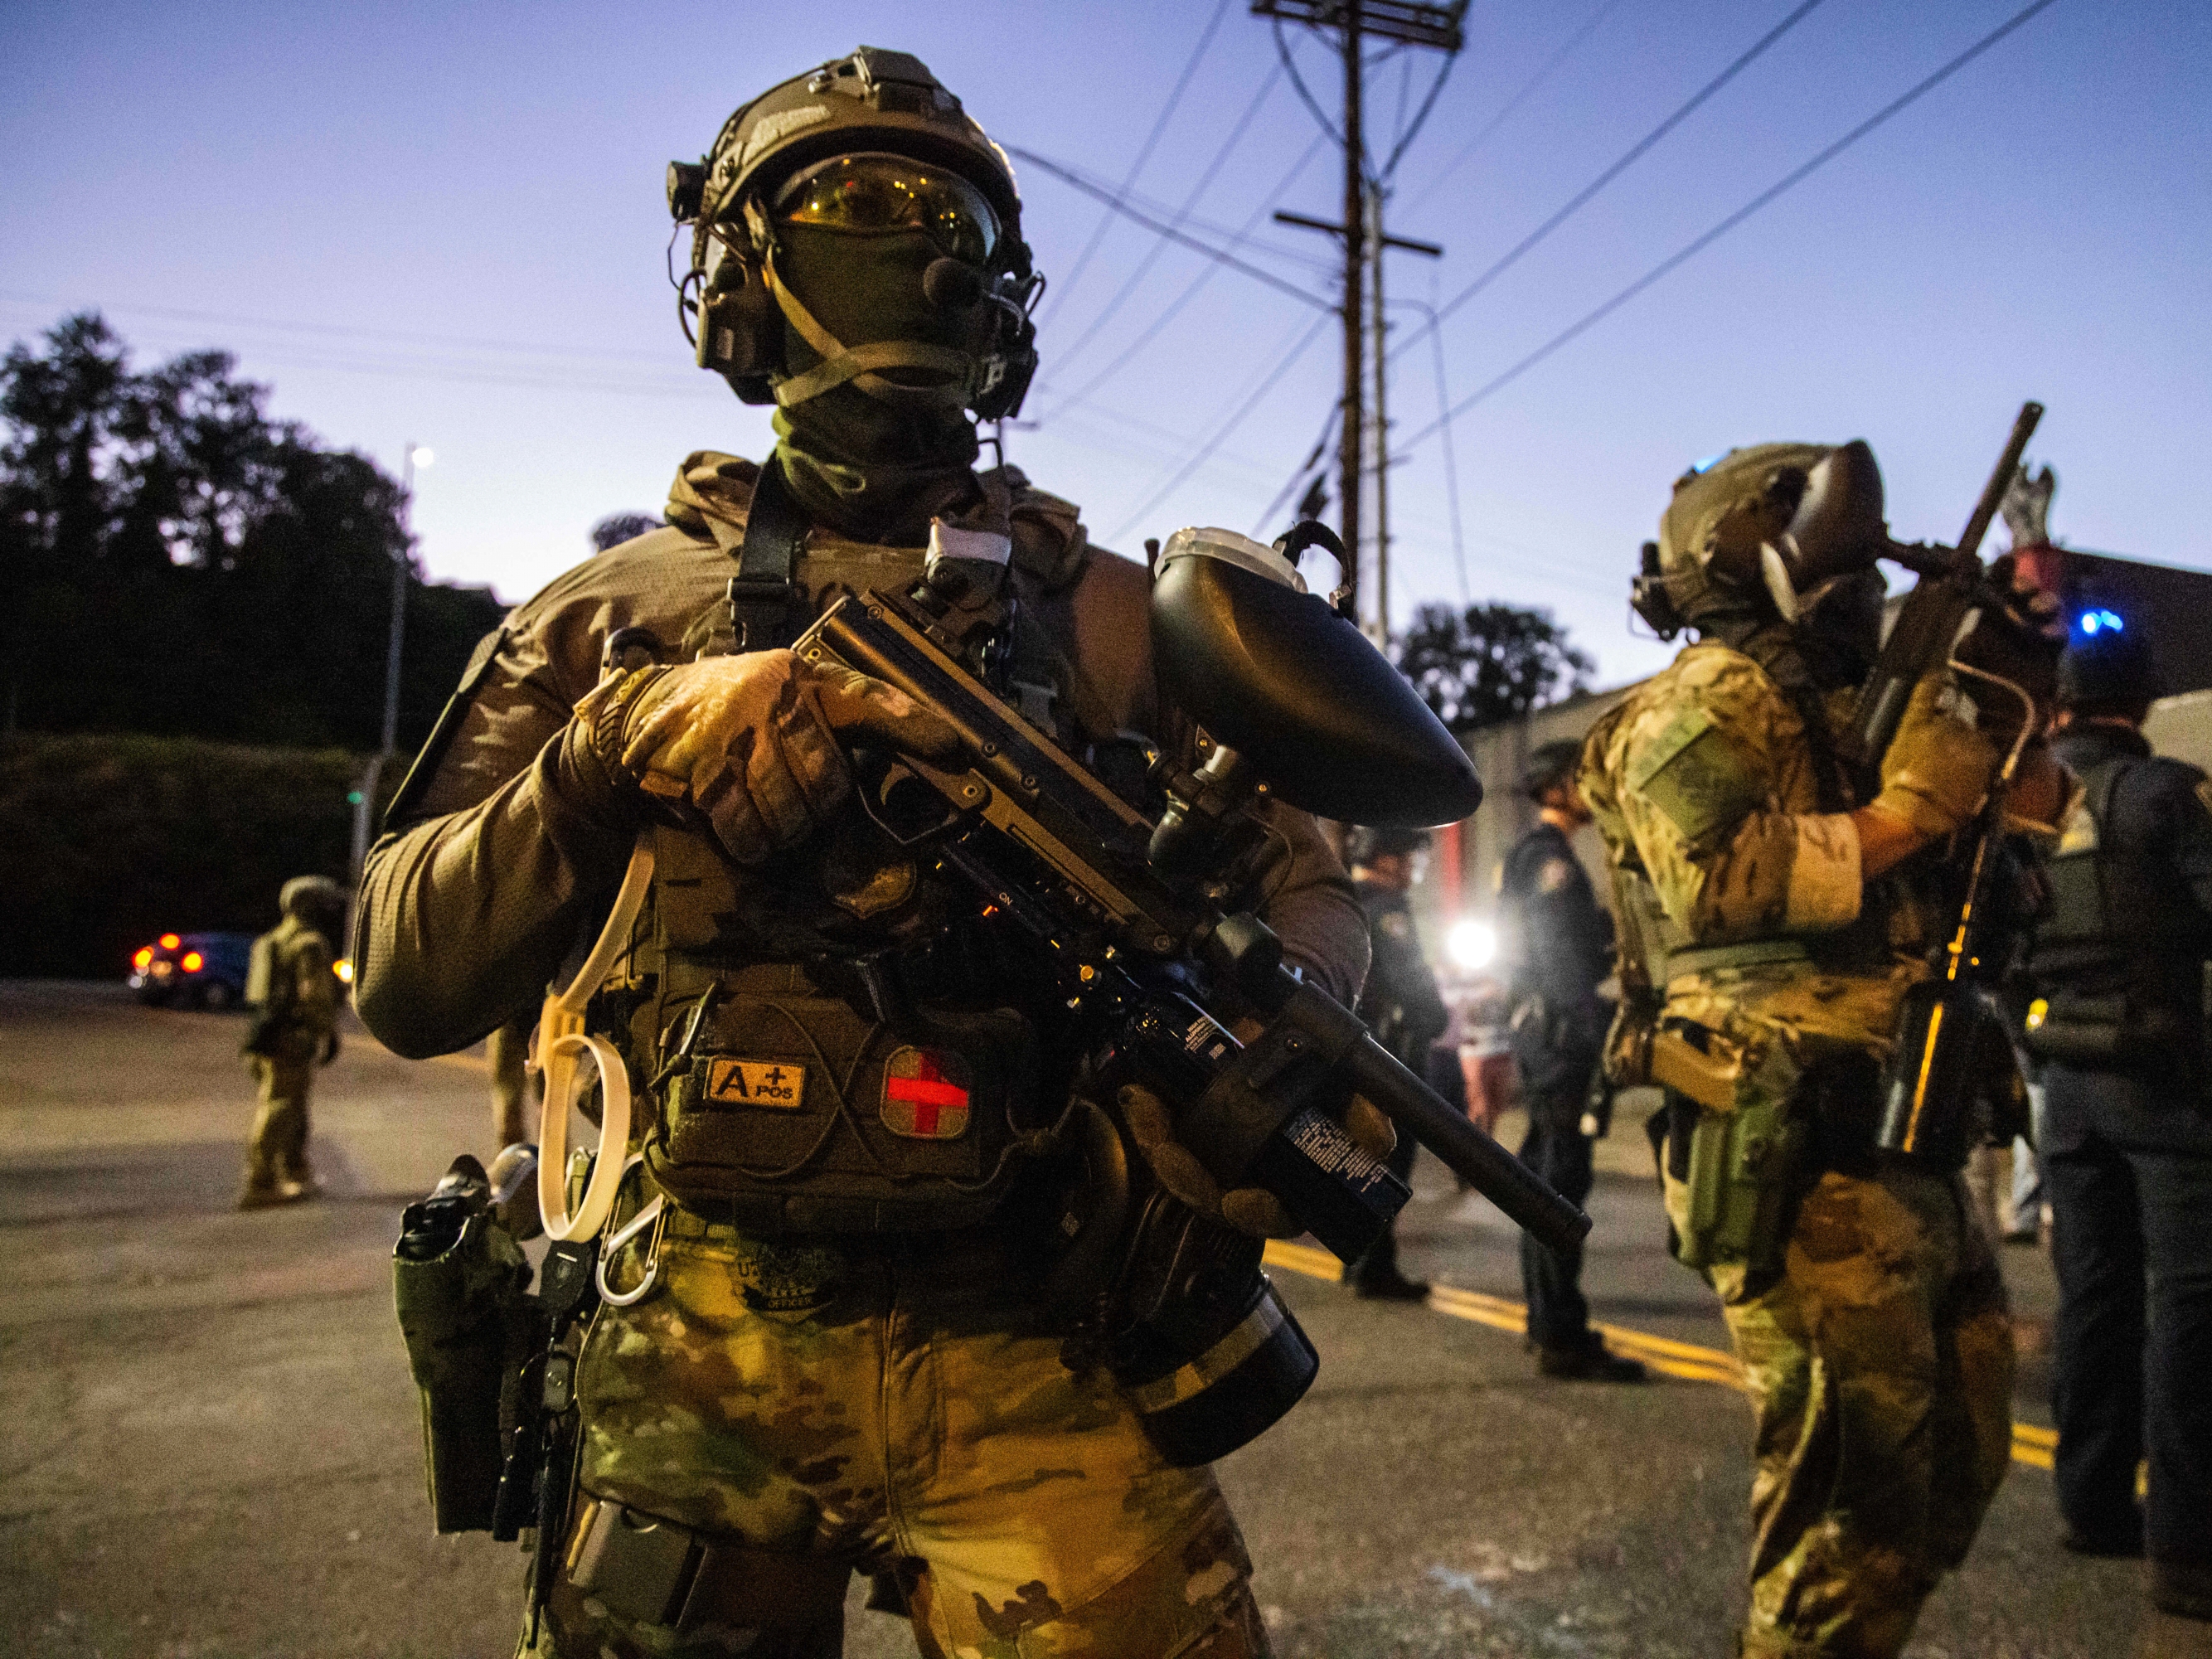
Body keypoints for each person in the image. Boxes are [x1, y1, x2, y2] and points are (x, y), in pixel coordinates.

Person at [354, 47, 1368, 1659]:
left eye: (948, 207)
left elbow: (1305, 886)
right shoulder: (613, 615)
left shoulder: (1110, 614)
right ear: (739, 279)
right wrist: (606, 750)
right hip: (687, 1342)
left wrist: (1250, 1059)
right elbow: (402, 966)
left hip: (1033, 1330)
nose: (916, 242)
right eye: (852, 199)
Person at [1580, 439, 2067, 1657]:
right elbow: (1719, 884)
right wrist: (1909, 813)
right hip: (1800, 1152)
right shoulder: (1705, 696)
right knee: (1850, 1514)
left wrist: (1995, 754)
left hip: (1907, 1136)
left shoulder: (1846, 709)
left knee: (1949, 1466)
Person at [2023, 613, 2212, 1621]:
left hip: (2062, 1087)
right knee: (2189, 1304)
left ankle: (2090, 1502)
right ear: (2136, 702)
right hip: (2164, 1082)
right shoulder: (2167, 793)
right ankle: (2187, 1547)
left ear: (2060, 699)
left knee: (2092, 1296)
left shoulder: (2024, 804)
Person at [1500, 740, 1643, 1381]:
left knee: (1543, 1180)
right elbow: (1559, 959)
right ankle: (1560, 1331)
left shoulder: (1535, 856)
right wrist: (1595, 1028)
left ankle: (1547, 1320)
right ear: (1555, 788)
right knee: (1560, 1184)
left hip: (1544, 1033)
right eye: (1580, 779)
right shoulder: (1549, 861)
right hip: (1560, 1039)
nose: (1591, 788)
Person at [1343, 825, 1447, 1301]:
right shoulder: (1386, 908)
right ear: (1388, 858)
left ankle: (1357, 1255)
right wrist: (1436, 1015)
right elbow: (1410, 979)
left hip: (1353, 1047)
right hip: (1392, 1051)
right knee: (1388, 1159)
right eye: (1414, 859)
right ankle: (1374, 1266)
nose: (1417, 870)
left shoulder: (1342, 899)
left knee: (1358, 1151)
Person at [237, 875, 343, 1209]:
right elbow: (314, 996)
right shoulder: (310, 944)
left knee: (293, 1107)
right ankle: (261, 1182)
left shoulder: (270, 940)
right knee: (280, 1107)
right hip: (291, 1039)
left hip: (265, 1036)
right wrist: (326, 1032)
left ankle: (295, 1171)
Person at [485, 1011, 539, 1150]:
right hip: (508, 1010)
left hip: (543, 1006)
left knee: (551, 1105)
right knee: (509, 1103)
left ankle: (554, 1165)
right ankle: (513, 1164)